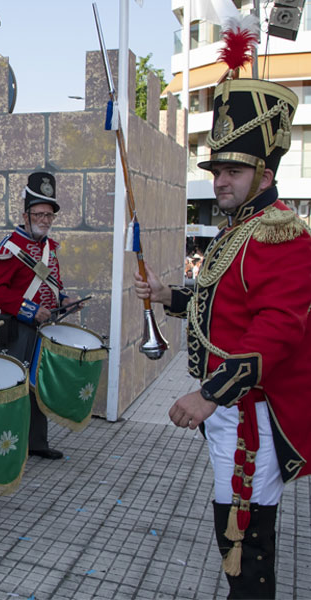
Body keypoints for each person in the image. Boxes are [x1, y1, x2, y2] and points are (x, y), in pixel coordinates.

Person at [134, 74, 309, 599]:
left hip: (254, 409)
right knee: (231, 522)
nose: (220, 182)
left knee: (246, 536)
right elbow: (223, 303)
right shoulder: (240, 229)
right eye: (217, 171)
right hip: (231, 409)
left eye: (234, 171)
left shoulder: (281, 232)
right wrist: (169, 296)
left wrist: (209, 394)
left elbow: (276, 329)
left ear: (265, 174)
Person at [0, 172, 82, 460]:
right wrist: (29, 310)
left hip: (45, 328)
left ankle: (37, 442)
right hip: (19, 330)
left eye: (49, 215)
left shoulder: (49, 247)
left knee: (40, 384)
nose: (44, 220)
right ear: (25, 215)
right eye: (39, 214)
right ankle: (8, 444)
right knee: (15, 386)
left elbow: (54, 285)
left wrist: (65, 300)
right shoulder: (9, 248)